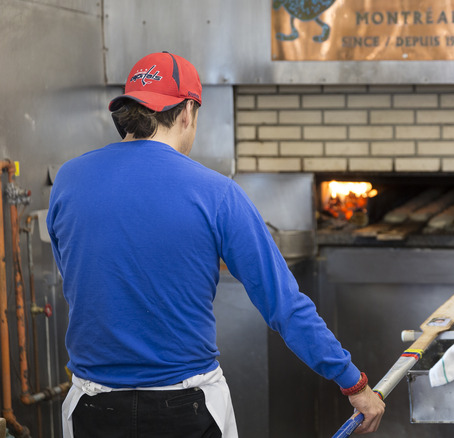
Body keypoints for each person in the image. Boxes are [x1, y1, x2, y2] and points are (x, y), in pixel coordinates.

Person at [47, 51, 384, 438]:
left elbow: (74, 279)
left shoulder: (69, 180)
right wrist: (353, 383)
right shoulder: (216, 192)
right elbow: (284, 306)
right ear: (188, 111)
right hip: (186, 407)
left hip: (92, 407)